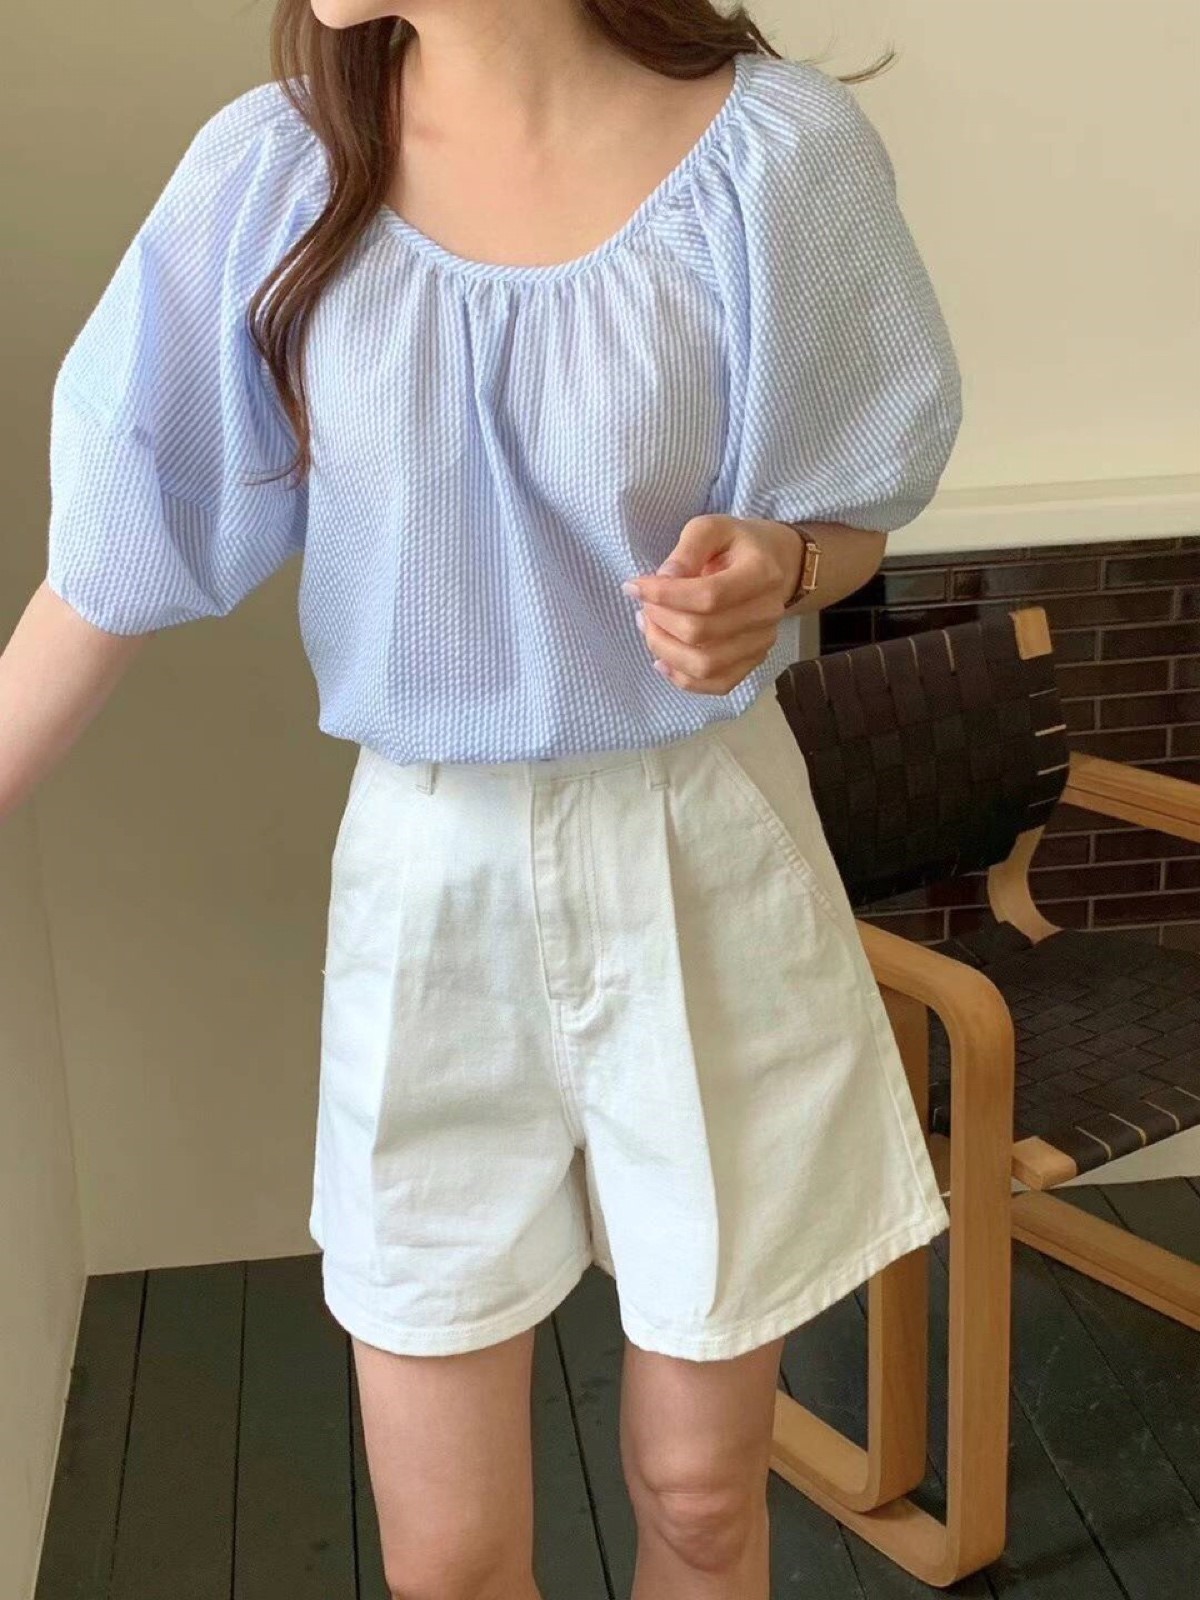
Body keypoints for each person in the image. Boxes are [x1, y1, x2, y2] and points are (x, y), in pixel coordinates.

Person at [1, 1, 963, 1595]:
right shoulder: (275, 176)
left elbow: (852, 507)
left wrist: (788, 568)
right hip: (426, 867)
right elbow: (114, 553)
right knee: (446, 1561)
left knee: (702, 1499)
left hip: (701, 846)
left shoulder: (778, 157)